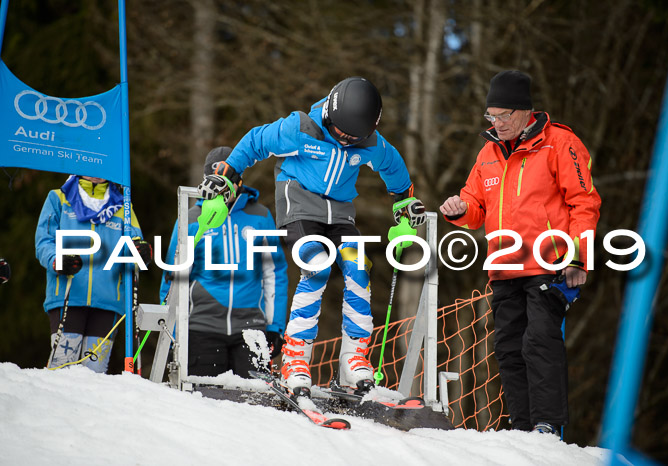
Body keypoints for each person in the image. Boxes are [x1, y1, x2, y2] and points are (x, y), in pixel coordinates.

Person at [197, 77, 426, 395]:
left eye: (353, 138)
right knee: (317, 266)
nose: (345, 142)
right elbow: (254, 142)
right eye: (340, 134)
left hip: (340, 214)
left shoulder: (371, 143)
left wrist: (404, 201)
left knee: (358, 268)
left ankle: (353, 359)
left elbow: (394, 167)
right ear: (330, 117)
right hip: (299, 208)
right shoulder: (300, 129)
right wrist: (229, 178)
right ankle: (295, 358)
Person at [440, 70, 601, 436]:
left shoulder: (560, 143)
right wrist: (458, 210)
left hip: (550, 265)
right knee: (509, 348)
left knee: (539, 342)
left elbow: (585, 203)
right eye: (490, 117)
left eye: (503, 116)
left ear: (525, 111)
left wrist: (579, 257)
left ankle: (547, 425)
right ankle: (522, 428)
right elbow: (475, 205)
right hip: (504, 268)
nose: (496, 124)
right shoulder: (487, 154)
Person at [159, 147, 289, 379]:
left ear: (240, 181)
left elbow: (274, 273)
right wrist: (173, 334)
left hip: (251, 328)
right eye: (217, 183)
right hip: (201, 328)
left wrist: (275, 326)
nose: (223, 190)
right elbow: (173, 277)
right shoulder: (190, 218)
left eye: (229, 182)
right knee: (205, 403)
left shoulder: (260, 216)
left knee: (256, 404)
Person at [35, 175, 152, 372]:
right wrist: (57, 260)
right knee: (62, 369)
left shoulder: (122, 204)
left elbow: (132, 245)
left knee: (94, 374)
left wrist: (139, 251)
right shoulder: (59, 198)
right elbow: (44, 241)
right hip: (68, 295)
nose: (95, 171)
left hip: (108, 301)